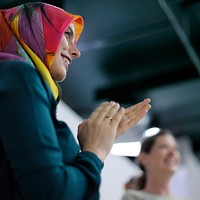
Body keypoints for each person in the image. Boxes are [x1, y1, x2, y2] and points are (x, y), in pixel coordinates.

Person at [0, 2, 151, 200]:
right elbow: (53, 193)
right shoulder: (21, 78)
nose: (76, 52)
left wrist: (97, 141)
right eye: (67, 33)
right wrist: (95, 152)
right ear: (34, 29)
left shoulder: (14, 82)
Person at [121, 129, 190, 200]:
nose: (173, 153)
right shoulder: (132, 197)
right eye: (164, 146)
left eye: (175, 148)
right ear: (144, 158)